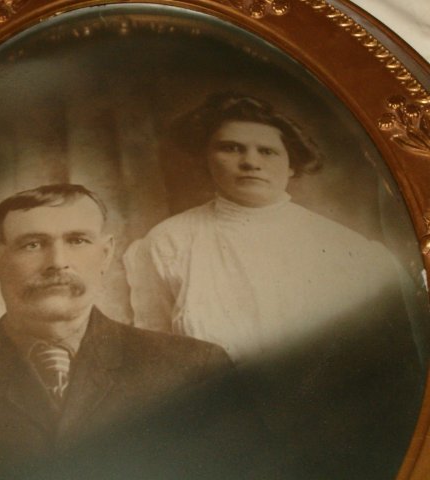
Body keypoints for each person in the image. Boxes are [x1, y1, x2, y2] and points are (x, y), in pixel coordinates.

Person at [123, 93, 423, 478]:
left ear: (291, 164)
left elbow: (384, 368)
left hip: (326, 435)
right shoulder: (166, 243)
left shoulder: (351, 251)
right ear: (206, 157)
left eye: (267, 151)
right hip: (212, 439)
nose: (250, 162)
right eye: (231, 148)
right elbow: (154, 358)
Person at [0, 184, 272, 480]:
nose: (57, 262)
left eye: (77, 241)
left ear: (106, 255)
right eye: (33, 244)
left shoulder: (194, 369)